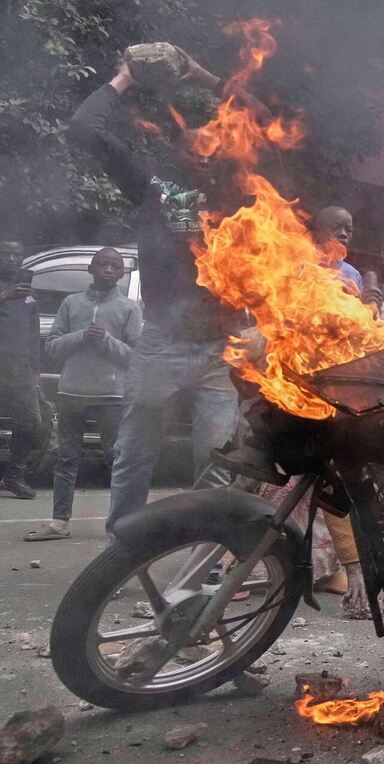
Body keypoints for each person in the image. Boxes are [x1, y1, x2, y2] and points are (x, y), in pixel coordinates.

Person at [69, 50, 256, 543]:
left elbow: (263, 118)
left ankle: (205, 563)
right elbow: (85, 130)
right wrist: (125, 77)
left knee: (215, 463)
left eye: (212, 147)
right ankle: (122, 546)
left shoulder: (236, 196)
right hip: (161, 342)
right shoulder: (154, 187)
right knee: (134, 454)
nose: (205, 153)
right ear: (175, 149)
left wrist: (200, 72)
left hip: (220, 348)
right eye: (194, 146)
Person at [26, 249, 142, 541]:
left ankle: (122, 526)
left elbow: (135, 358)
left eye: (115, 266)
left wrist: (105, 341)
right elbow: (51, 347)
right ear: (91, 269)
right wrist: (80, 336)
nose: (108, 269)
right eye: (102, 264)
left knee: (117, 460)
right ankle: (60, 522)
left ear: (121, 273)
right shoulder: (71, 303)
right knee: (66, 458)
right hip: (71, 393)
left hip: (111, 396)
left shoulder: (129, 308)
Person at [0, 238, 41, 499]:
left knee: (30, 421)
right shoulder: (11, 291)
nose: (13, 259)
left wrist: (35, 369)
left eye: (18, 254)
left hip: (20, 366)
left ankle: (13, 475)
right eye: (6, 253)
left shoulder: (28, 292)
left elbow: (34, 331)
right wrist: (4, 296)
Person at [313, 206, 362, 291]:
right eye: (336, 227)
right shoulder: (300, 267)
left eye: (348, 230)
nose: (343, 234)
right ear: (319, 232)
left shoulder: (353, 274)